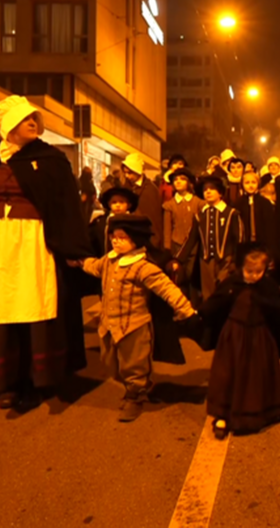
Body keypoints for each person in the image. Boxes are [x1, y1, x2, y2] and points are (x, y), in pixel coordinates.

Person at [0, 95, 93, 412]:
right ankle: (6, 380)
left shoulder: (50, 159)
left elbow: (65, 206)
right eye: (25, 119)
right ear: (9, 125)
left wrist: (71, 248)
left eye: (34, 119)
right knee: (0, 308)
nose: (32, 123)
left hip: (33, 242)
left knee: (33, 304)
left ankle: (34, 379)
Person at [77, 214, 196, 421]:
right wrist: (79, 261)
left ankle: (136, 395)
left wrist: (187, 310)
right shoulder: (109, 260)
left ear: (136, 239)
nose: (116, 241)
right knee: (111, 364)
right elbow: (94, 266)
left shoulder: (143, 267)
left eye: (122, 237)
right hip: (108, 325)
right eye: (113, 237)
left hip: (134, 327)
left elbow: (167, 289)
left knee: (134, 366)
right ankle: (134, 387)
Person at [199, 245, 280, 439]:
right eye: (250, 271)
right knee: (227, 374)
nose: (254, 276)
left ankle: (259, 413)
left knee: (256, 376)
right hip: (234, 335)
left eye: (258, 272)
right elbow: (215, 303)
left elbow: (277, 308)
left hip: (259, 337)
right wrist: (198, 314)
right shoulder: (232, 284)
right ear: (241, 268)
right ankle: (222, 415)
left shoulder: (267, 287)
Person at [175, 175, 242, 301]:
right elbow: (191, 239)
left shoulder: (231, 213)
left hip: (226, 260)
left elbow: (239, 239)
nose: (208, 192)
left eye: (212, 189)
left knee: (225, 292)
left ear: (220, 193)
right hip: (205, 261)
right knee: (208, 295)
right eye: (205, 190)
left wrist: (236, 260)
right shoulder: (200, 215)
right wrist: (178, 260)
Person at [162, 168, 205, 288]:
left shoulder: (199, 203)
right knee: (178, 277)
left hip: (195, 246)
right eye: (175, 179)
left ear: (189, 183)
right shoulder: (169, 205)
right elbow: (167, 229)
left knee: (192, 276)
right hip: (176, 245)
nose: (178, 181)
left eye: (182, 179)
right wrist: (167, 248)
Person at [234, 171, 280, 261]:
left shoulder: (265, 203)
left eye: (253, 182)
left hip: (262, 243)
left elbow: (270, 226)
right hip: (244, 244)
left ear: (258, 184)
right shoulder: (238, 203)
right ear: (242, 185)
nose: (250, 185)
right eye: (247, 183)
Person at [123, 153, 164, 250]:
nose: (127, 176)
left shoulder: (151, 190)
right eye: (125, 172)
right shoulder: (125, 188)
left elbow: (155, 219)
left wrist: (154, 241)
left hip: (147, 240)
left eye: (130, 172)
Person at [89, 185, 140, 256]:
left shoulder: (135, 222)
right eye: (114, 202)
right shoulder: (100, 222)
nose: (118, 205)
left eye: (121, 202)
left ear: (129, 205)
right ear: (109, 204)